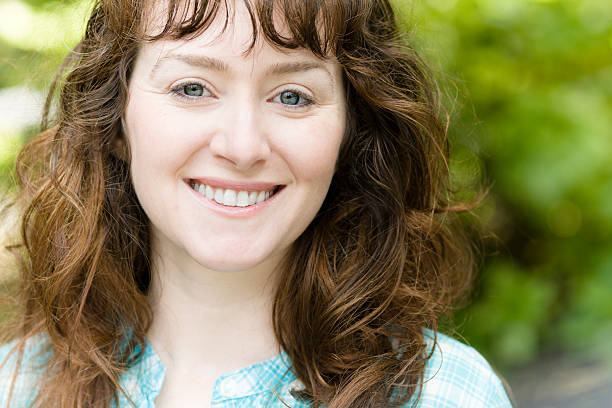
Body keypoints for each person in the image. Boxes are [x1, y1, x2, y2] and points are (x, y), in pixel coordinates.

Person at [0, 0, 514, 407]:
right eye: (193, 87)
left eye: (292, 95)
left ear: (350, 134)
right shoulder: (14, 386)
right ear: (115, 121)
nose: (243, 147)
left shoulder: (444, 396)